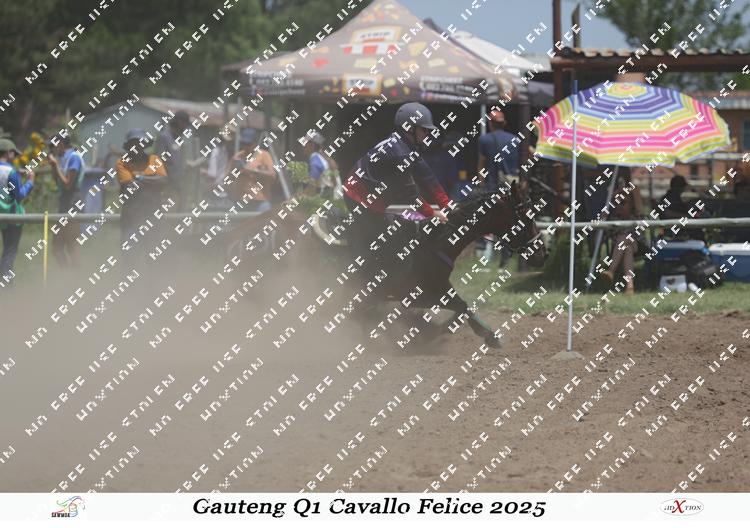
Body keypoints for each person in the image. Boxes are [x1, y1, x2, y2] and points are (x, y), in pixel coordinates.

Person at [342, 102, 450, 285]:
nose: (427, 134)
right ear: (409, 128)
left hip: (373, 195)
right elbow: (410, 194)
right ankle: (370, 287)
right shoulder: (399, 153)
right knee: (391, 248)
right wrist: (433, 213)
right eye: (424, 130)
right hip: (358, 197)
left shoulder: (405, 145)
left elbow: (427, 177)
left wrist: (447, 204)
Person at [116, 129, 168, 268]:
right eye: (134, 143)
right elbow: (129, 186)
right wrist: (152, 180)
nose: (137, 146)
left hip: (153, 219)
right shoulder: (122, 162)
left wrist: (139, 177)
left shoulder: (154, 160)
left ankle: (153, 283)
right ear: (128, 146)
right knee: (130, 262)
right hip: (131, 221)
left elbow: (163, 181)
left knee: (155, 262)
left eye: (140, 143)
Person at [602, 168, 643, 295]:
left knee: (625, 238)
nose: (619, 206)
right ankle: (630, 286)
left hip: (636, 240)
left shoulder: (636, 214)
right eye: (617, 203)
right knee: (627, 248)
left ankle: (611, 271)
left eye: (623, 203)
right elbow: (602, 219)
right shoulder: (614, 216)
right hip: (620, 241)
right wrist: (613, 196)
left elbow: (639, 208)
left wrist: (630, 190)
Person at [0, 138, 35, 286]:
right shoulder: (11, 172)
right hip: (12, 217)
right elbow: (19, 195)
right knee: (9, 252)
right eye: (14, 154)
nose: (15, 157)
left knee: (6, 251)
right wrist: (30, 181)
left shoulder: (11, 172)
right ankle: (6, 288)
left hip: (2, 217)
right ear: (9, 153)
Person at [48, 134, 85, 268]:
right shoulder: (64, 158)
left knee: (72, 245)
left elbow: (68, 184)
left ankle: (75, 277)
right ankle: (67, 276)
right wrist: (54, 166)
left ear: (61, 144)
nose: (51, 149)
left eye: (52, 146)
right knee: (56, 248)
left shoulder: (74, 157)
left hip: (73, 202)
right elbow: (56, 180)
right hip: (65, 202)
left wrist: (56, 165)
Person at [228, 128, 277, 214]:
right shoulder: (238, 156)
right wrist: (234, 168)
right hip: (240, 202)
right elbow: (228, 179)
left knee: (262, 223)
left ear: (255, 143)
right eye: (243, 143)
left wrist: (253, 170)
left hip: (260, 202)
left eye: (248, 144)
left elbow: (272, 175)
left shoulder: (264, 155)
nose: (245, 146)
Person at [154, 110, 191, 212]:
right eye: (185, 125)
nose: (185, 128)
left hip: (178, 186)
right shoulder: (164, 137)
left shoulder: (179, 139)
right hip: (167, 187)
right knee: (169, 216)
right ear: (179, 122)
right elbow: (158, 162)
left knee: (178, 215)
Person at [199, 128, 233, 208]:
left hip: (215, 193)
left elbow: (212, 175)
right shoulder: (226, 151)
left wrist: (202, 171)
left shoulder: (216, 151)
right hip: (225, 192)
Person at [302, 132, 341, 199]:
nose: (302, 146)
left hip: (330, 199)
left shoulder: (315, 159)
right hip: (334, 197)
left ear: (312, 145)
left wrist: (296, 197)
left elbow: (311, 189)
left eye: (304, 143)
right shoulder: (324, 158)